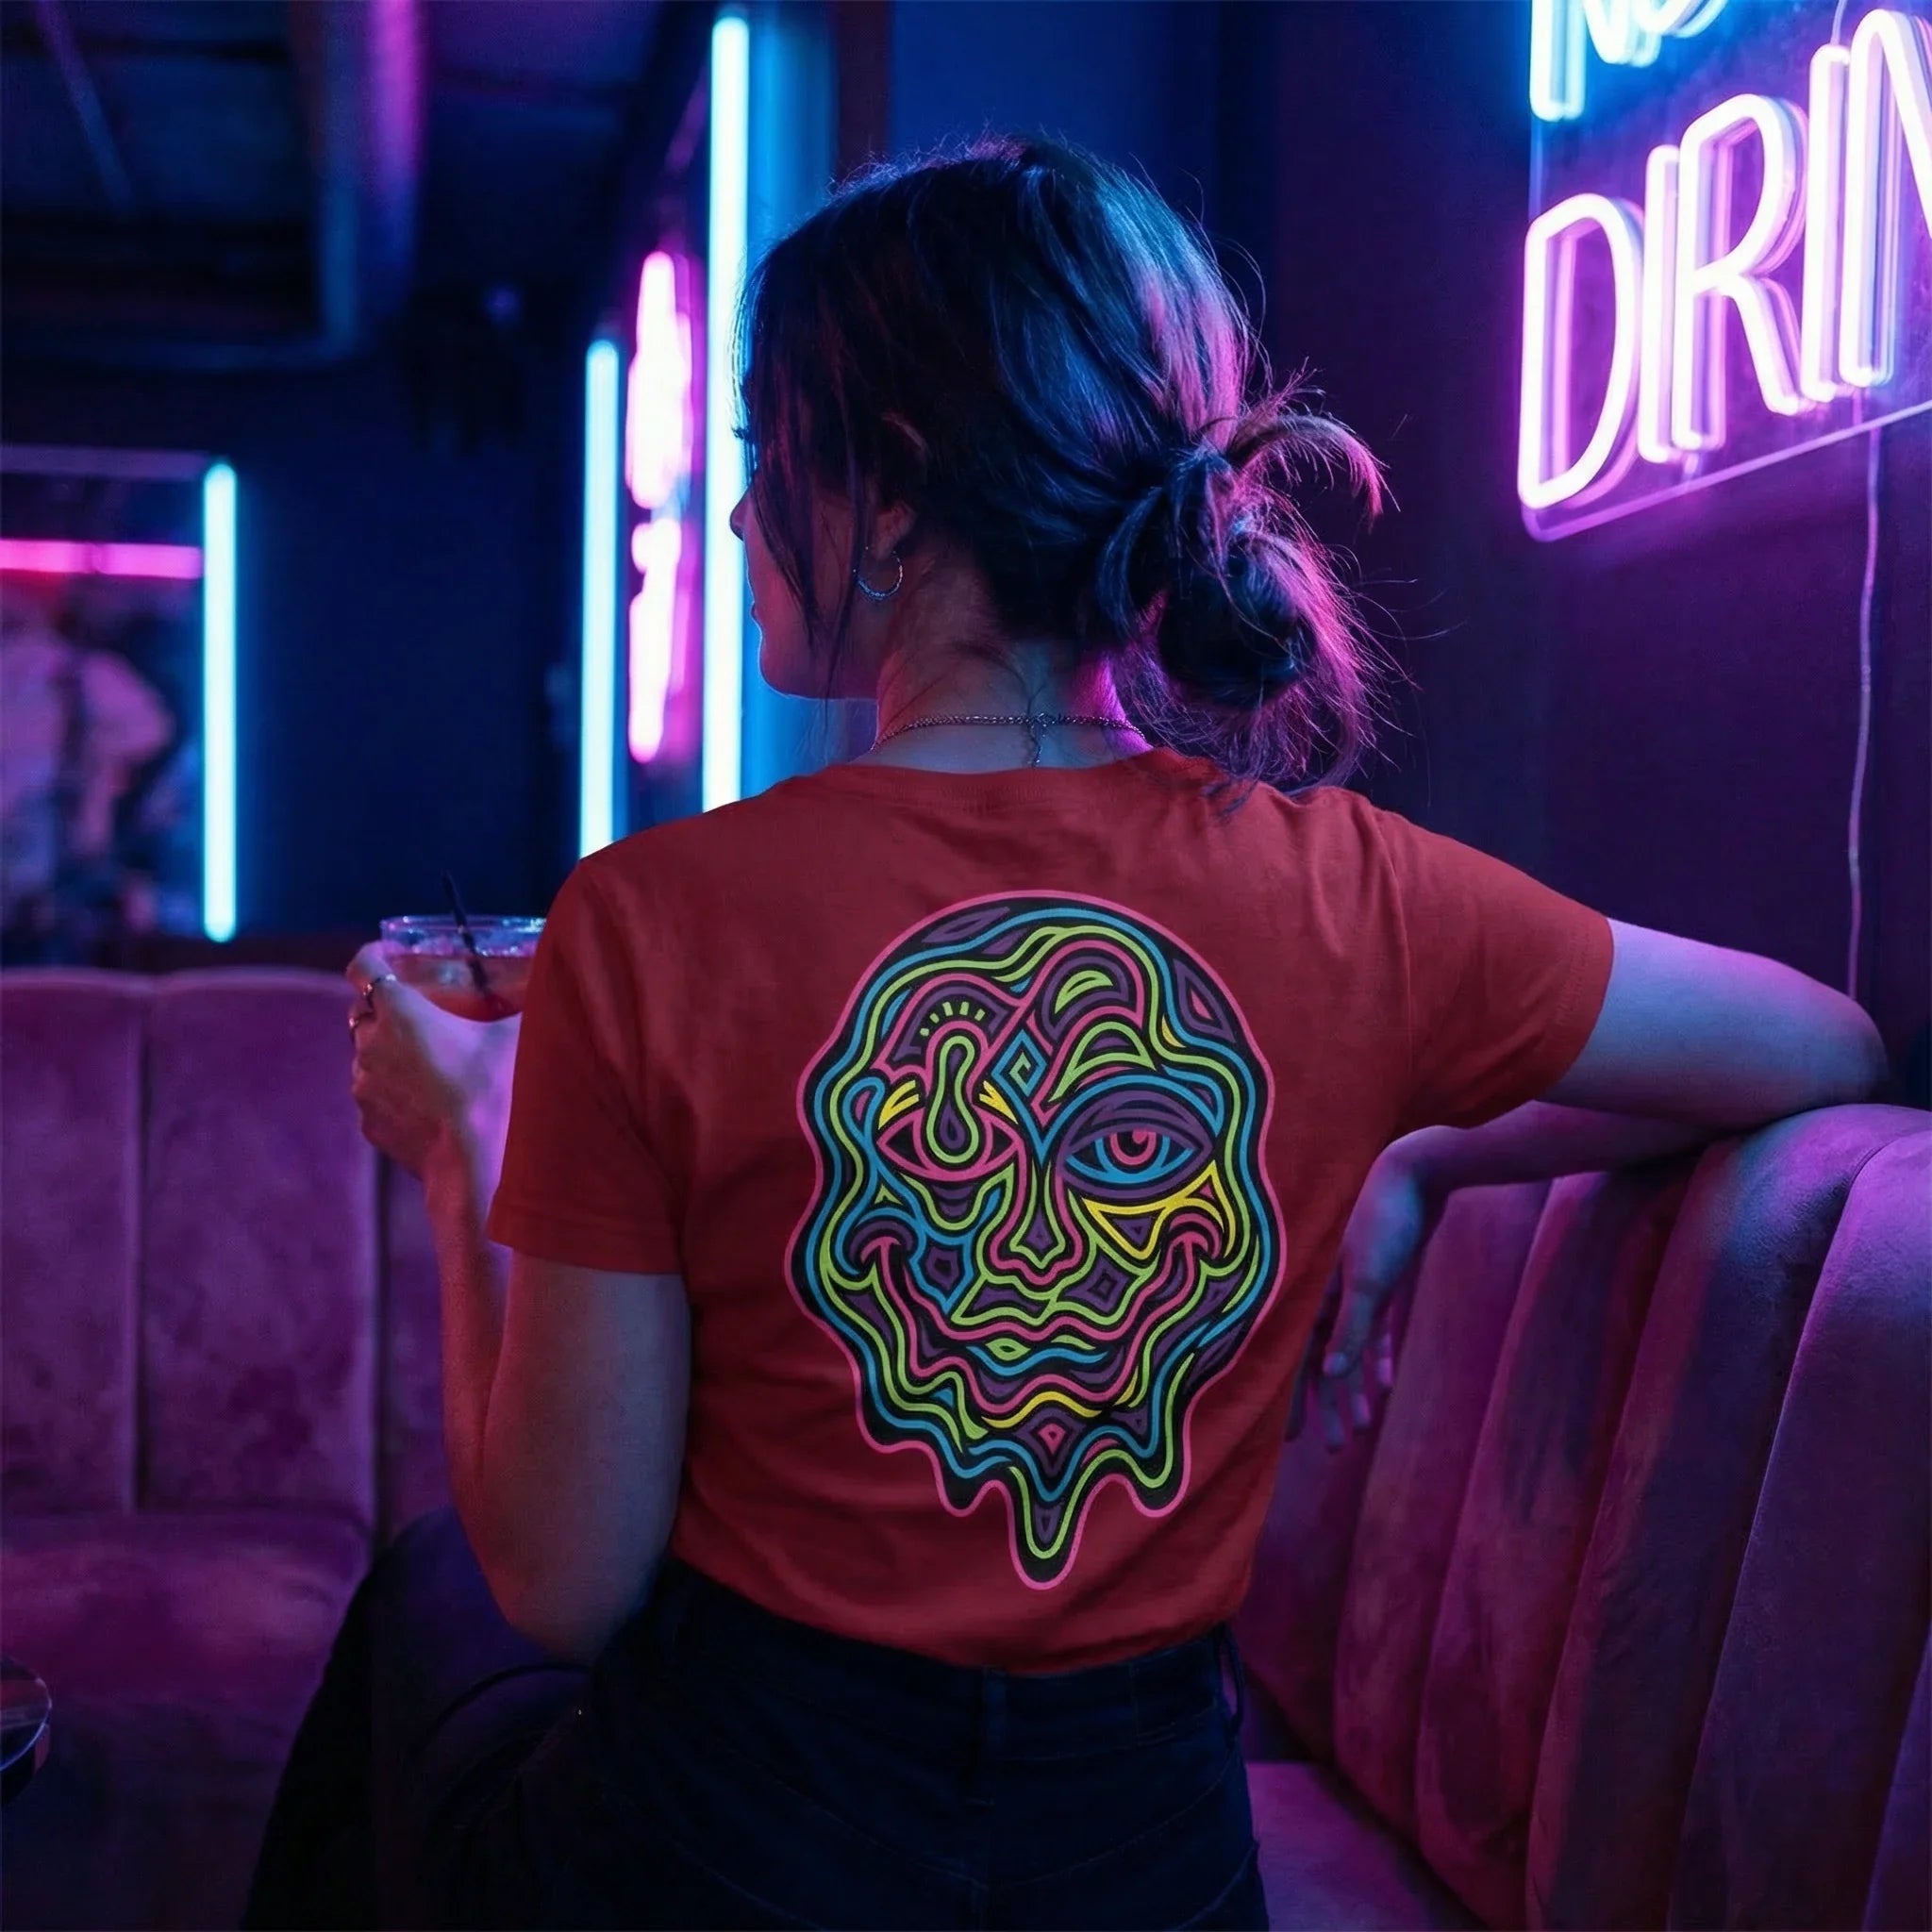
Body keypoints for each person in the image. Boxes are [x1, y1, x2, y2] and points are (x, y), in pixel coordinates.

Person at [245, 137, 1891, 1932]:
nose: (729, 520)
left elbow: (563, 1581)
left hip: (735, 1853)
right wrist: (1407, 1140)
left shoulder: (652, 923)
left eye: (757, 457)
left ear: (881, 493)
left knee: (422, 1635)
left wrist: (461, 1142)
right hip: (1151, 1868)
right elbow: (1822, 1049)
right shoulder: (1362, 899)